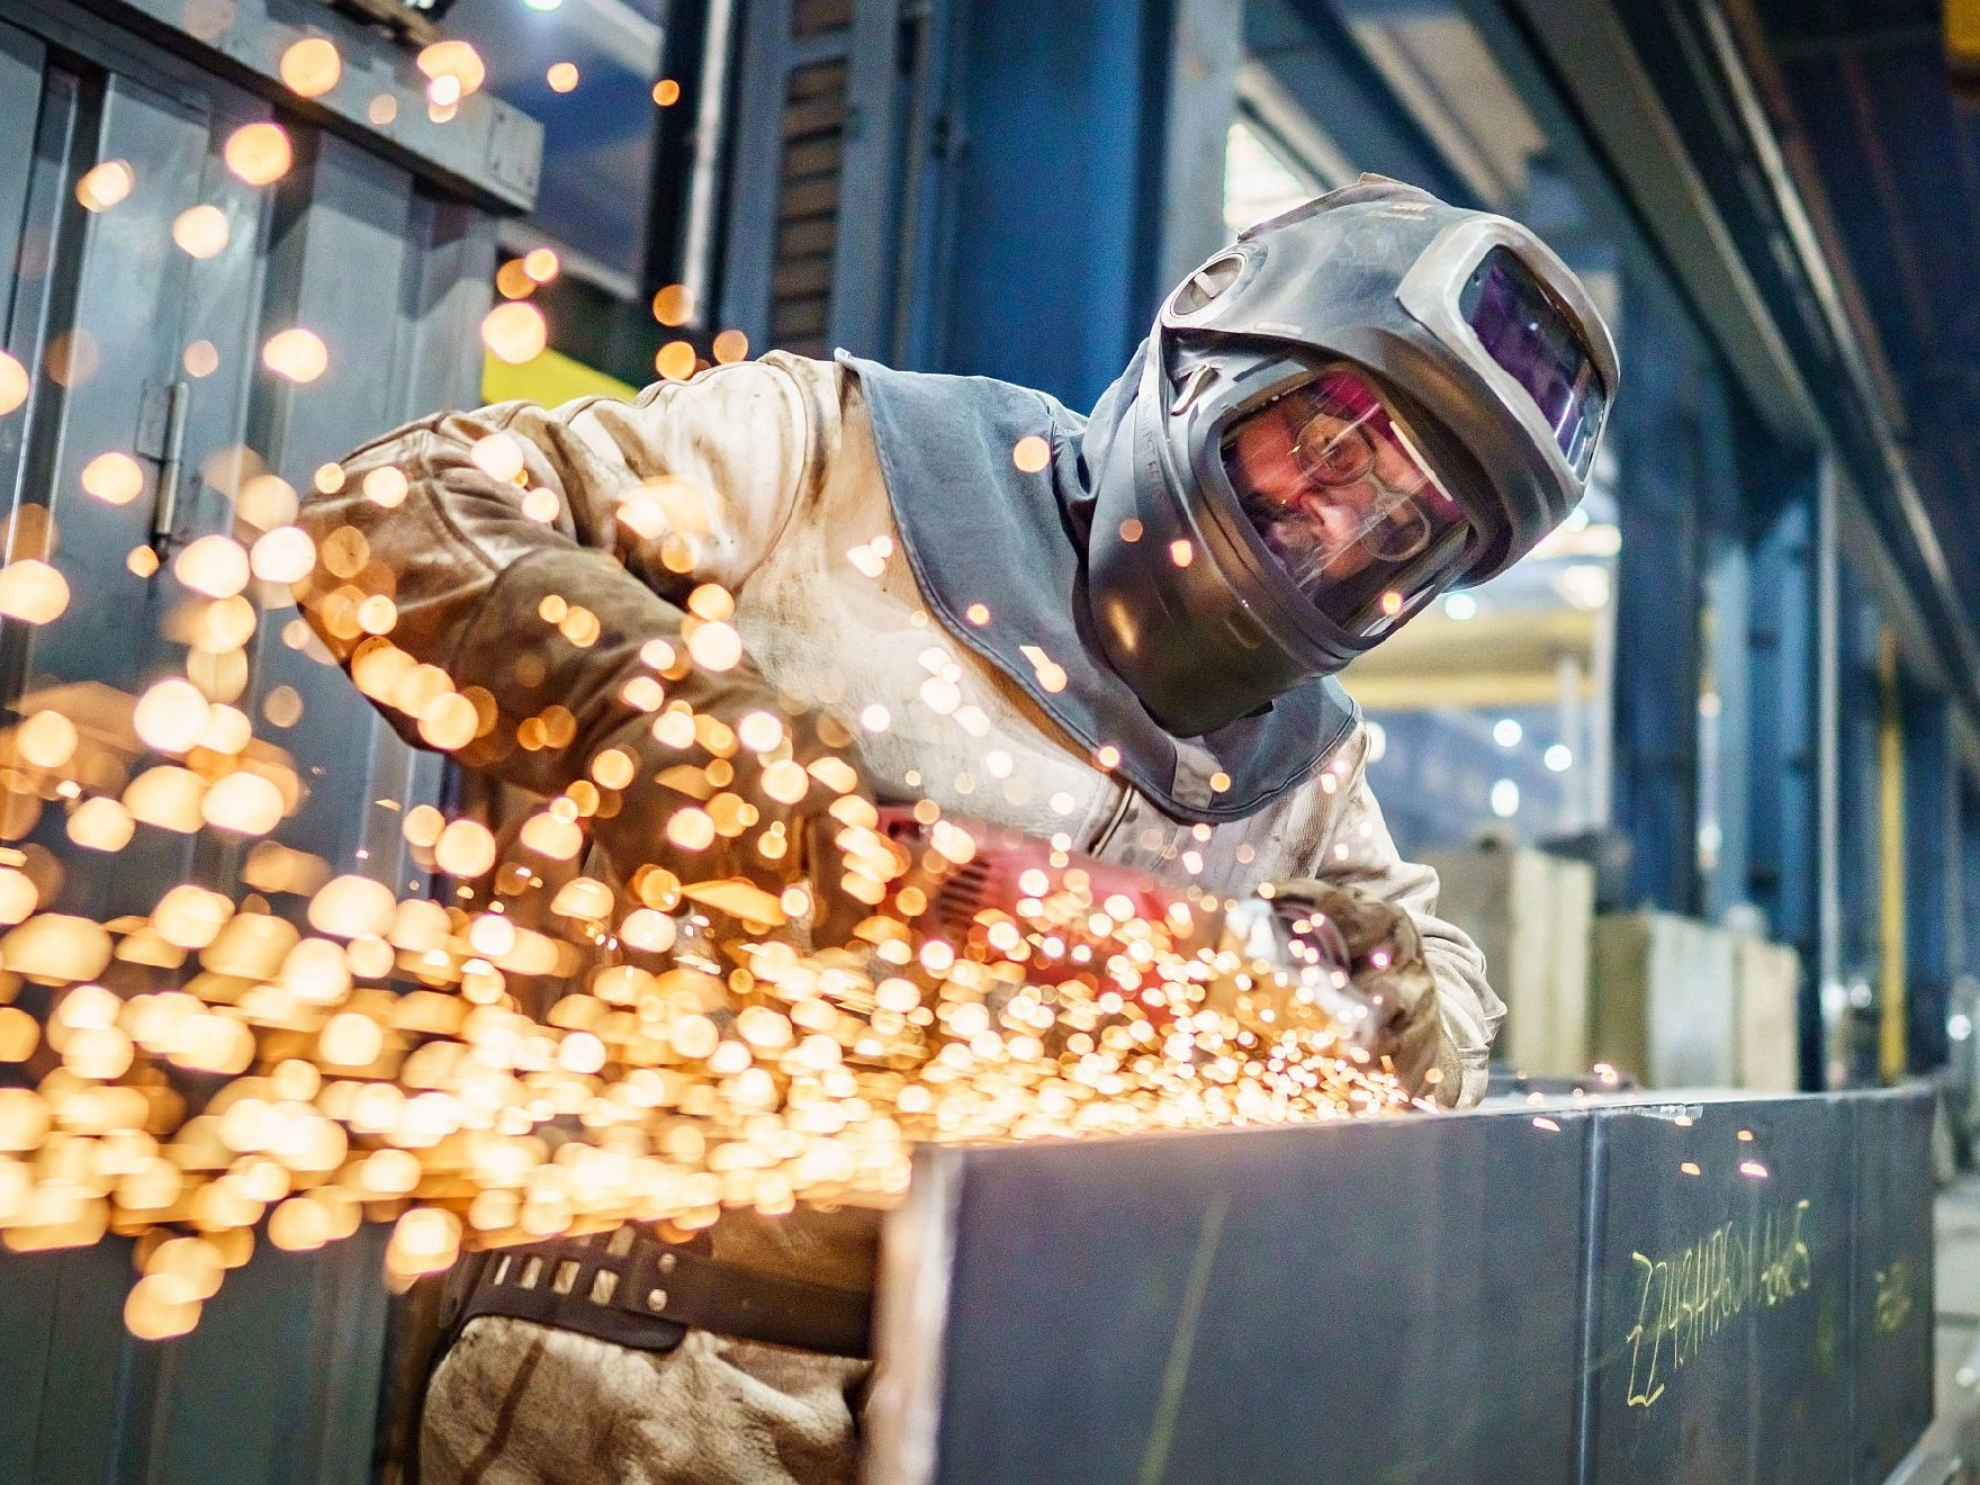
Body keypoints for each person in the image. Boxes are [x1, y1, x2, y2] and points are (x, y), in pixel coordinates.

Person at [296, 175, 1616, 1484]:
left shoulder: (1303, 763)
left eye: (1404, 528)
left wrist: (1336, 986)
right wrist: (680, 728)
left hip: (1008, 1407)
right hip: (632, 1377)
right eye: (1330, 446)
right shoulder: (833, 455)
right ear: (1221, 333)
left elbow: (1440, 1028)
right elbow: (395, 507)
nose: (1334, 525)